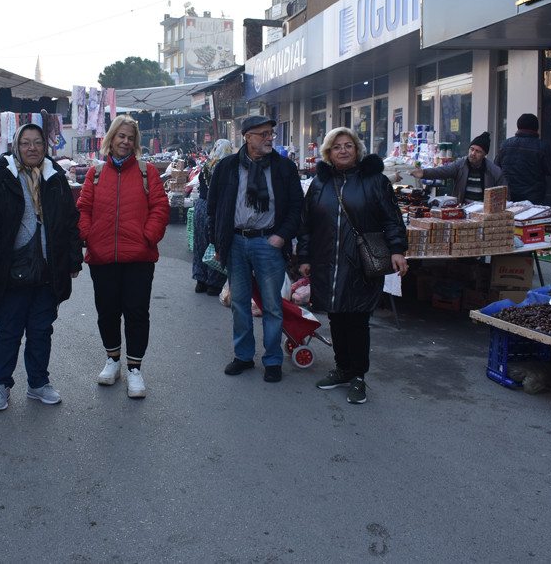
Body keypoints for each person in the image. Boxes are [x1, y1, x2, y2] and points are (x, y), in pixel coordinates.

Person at [296, 128, 408, 404]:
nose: (343, 150)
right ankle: (342, 369)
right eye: (337, 147)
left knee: (357, 319)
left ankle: (358, 375)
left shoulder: (374, 181)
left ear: (357, 149)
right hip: (326, 262)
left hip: (360, 262)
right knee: (336, 316)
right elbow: (307, 225)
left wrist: (397, 250)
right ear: (328, 153)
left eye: (348, 145)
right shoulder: (320, 184)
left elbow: (392, 219)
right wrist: (305, 258)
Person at [0, 122, 82, 411]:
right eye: (25, 142)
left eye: (37, 143)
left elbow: (69, 222)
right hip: (11, 268)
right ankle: (0, 384)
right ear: (16, 145)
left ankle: (38, 383)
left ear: (45, 146)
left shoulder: (54, 178)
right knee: (8, 330)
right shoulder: (0, 178)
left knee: (41, 329)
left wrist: (73, 259)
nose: (32, 148)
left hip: (47, 268)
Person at [77, 115, 169, 398]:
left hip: (138, 257)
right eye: (121, 137)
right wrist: (88, 235)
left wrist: (147, 237)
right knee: (107, 311)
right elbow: (83, 209)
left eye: (130, 138)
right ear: (111, 139)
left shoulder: (147, 172)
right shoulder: (95, 174)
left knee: (137, 312)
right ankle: (113, 360)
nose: (125, 142)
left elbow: (160, 209)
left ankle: (134, 369)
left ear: (135, 142)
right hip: (102, 255)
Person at [207, 115, 303, 383]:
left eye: (271, 133)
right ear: (248, 137)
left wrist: (282, 236)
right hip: (235, 242)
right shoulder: (227, 167)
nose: (270, 138)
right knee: (239, 303)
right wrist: (218, 242)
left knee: (272, 305)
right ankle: (243, 356)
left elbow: (297, 207)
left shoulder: (284, 168)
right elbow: (214, 208)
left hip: (268, 242)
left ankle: (272, 360)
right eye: (264, 134)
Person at [408, 132, 506, 204]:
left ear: (485, 154)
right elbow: (444, 171)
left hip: (482, 213)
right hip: (463, 210)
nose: (473, 153)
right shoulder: (461, 164)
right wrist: (424, 173)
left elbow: (504, 194)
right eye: (471, 149)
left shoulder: (494, 171)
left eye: (478, 151)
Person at [495, 113, 551, 205]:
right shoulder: (542, 146)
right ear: (536, 128)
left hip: (509, 194)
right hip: (533, 196)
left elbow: (496, 167)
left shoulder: (505, 145)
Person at [192, 139, 232, 295]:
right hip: (215, 208)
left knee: (200, 245)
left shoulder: (208, 163)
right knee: (216, 245)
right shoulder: (225, 167)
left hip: (200, 208)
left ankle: (200, 280)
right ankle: (214, 283)